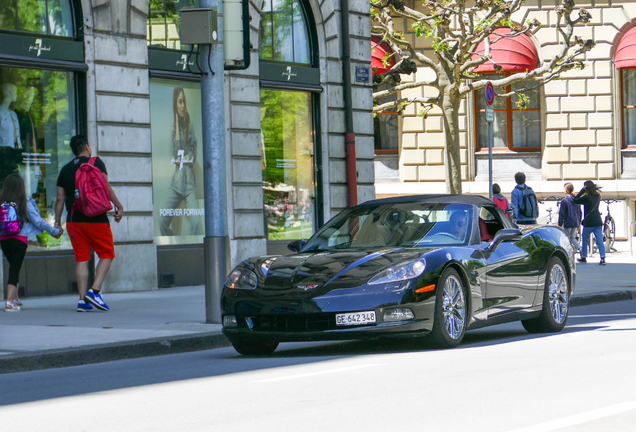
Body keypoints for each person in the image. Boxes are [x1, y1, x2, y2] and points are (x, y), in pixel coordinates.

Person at [54, 135, 124, 312]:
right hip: (96, 219)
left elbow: (60, 199)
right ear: (86, 146)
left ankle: (82, 301)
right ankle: (95, 291)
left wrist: (57, 222)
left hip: (74, 221)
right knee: (107, 253)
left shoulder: (65, 170)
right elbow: (105, 188)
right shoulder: (96, 163)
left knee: (82, 259)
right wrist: (119, 205)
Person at [1, 173, 62, 311]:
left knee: (13, 267)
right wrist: (53, 231)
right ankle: (9, 302)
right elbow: (37, 221)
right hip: (19, 239)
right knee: (15, 268)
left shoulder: (1, 202)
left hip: (4, 239)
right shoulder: (24, 202)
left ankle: (15, 299)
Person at [159, 87, 201, 236]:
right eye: (180, 102)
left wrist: (184, 158)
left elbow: (193, 154)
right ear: (175, 104)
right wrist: (177, 128)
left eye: (184, 102)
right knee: (162, 221)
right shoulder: (173, 128)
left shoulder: (191, 123)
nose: (183, 106)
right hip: (176, 184)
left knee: (196, 222)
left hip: (189, 185)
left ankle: (192, 248)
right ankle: (173, 244)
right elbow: (177, 156)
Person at [573, 180, 606, 265]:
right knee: (600, 241)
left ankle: (584, 257)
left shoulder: (587, 197)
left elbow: (575, 200)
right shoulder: (598, 196)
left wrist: (582, 191)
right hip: (598, 221)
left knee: (585, 240)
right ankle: (602, 258)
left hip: (589, 222)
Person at [558, 182, 582, 253]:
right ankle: (580, 249)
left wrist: (560, 223)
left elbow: (562, 213)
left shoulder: (564, 200)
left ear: (566, 190)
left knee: (567, 239)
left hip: (568, 222)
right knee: (573, 238)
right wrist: (579, 223)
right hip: (575, 222)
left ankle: (569, 252)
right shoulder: (576, 200)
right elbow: (580, 212)